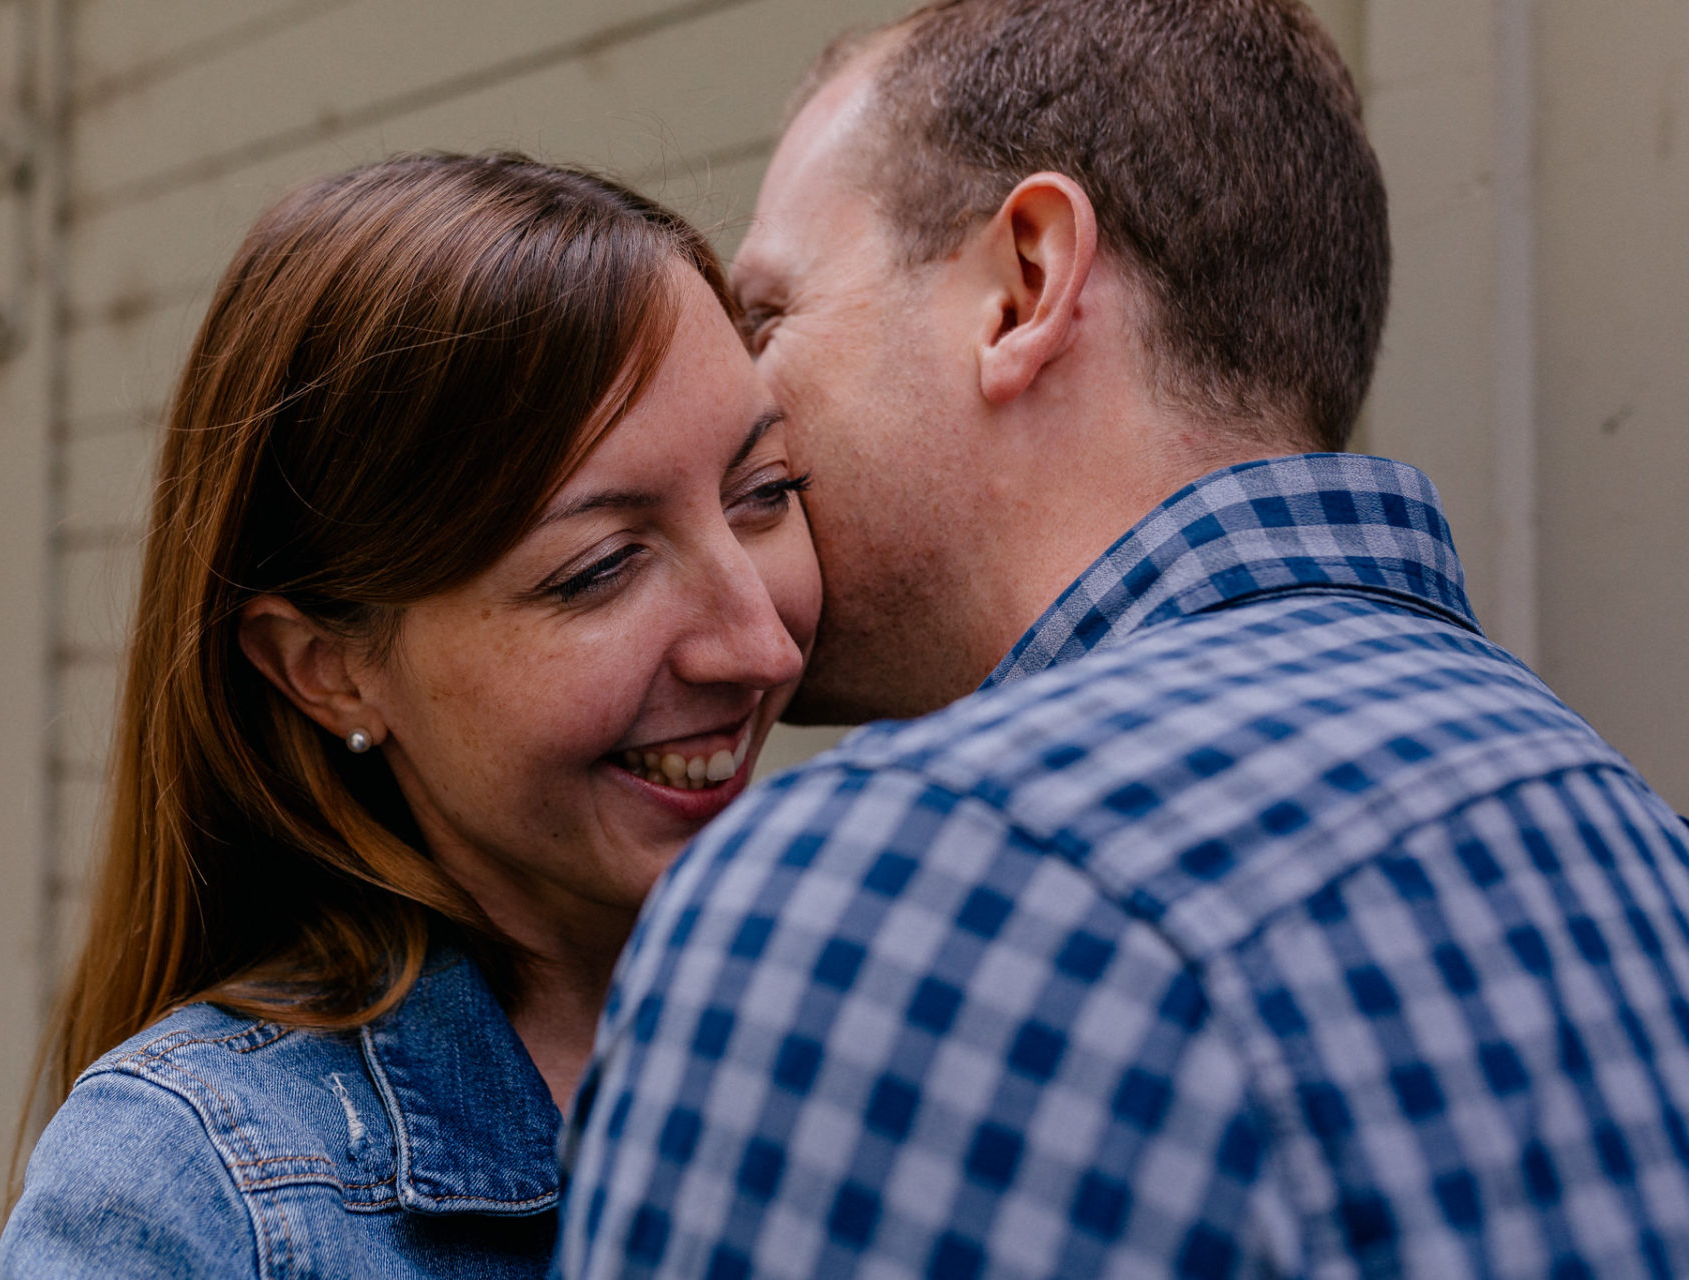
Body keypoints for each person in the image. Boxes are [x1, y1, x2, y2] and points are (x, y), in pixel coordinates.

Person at [556, 2, 1689, 1276]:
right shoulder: (1632, 840)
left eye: (770, 311)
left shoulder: (886, 889)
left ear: (1023, 285)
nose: (747, 392)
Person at [0, 152, 819, 1277]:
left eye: (765, 492)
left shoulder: (882, 1037)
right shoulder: (197, 1192)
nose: (763, 646)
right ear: (326, 667)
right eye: (598, 567)